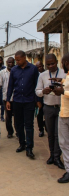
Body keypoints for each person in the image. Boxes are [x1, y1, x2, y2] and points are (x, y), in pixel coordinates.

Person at [6, 50, 39, 159]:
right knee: (18, 124)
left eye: (19, 60)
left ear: (25, 58)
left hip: (29, 101)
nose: (17, 62)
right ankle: (22, 143)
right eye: (16, 60)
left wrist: (37, 100)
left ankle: (29, 148)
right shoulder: (14, 70)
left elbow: (37, 86)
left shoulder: (33, 69)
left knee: (29, 125)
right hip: (17, 101)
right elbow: (10, 86)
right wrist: (8, 100)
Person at [35, 54, 65, 169]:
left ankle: (57, 157)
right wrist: (43, 91)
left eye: (53, 63)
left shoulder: (63, 73)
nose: (51, 66)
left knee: (59, 134)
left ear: (57, 62)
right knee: (50, 134)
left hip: (61, 107)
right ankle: (52, 155)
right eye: (48, 64)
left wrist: (60, 89)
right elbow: (37, 91)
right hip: (48, 107)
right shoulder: (42, 75)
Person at [47, 53, 69, 183]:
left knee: (65, 143)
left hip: (66, 114)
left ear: (66, 63)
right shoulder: (66, 76)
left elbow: (66, 91)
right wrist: (60, 82)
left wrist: (63, 92)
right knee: (64, 143)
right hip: (63, 114)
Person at [0, 57, 15, 138]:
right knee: (8, 117)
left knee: (17, 116)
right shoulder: (2, 72)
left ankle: (18, 131)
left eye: (12, 62)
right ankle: (10, 131)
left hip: (16, 98)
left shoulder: (16, 71)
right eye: (9, 62)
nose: (10, 64)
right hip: (6, 98)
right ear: (6, 62)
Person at [35, 61, 46, 137]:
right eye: (38, 67)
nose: (40, 68)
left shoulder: (47, 74)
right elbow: (34, 89)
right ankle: (41, 129)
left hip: (48, 98)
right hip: (39, 98)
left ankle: (46, 125)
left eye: (41, 66)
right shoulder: (35, 76)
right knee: (40, 115)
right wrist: (37, 100)